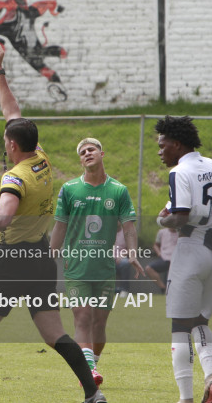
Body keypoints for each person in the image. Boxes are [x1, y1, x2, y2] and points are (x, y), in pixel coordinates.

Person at [0, 43, 106, 403]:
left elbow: (4, 215)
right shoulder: (41, 158)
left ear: (12, 145)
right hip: (40, 257)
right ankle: (91, 394)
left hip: (12, 262)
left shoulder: (16, 178)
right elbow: (13, 111)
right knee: (53, 332)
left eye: (6, 140)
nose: (4, 143)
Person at [50, 137, 142, 386]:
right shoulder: (69, 189)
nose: (87, 153)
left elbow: (129, 227)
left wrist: (132, 253)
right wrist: (50, 256)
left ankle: (93, 362)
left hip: (104, 268)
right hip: (76, 267)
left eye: (91, 149)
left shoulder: (118, 190)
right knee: (82, 318)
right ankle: (89, 371)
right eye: (82, 152)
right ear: (80, 160)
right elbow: (60, 227)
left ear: (102, 154)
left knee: (100, 323)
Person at [155, 115, 212, 403]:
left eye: (163, 146)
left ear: (176, 144)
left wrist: (162, 222)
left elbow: (181, 216)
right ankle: (211, 377)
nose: (160, 152)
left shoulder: (178, 172)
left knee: (179, 326)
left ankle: (185, 398)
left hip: (191, 252)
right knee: (201, 322)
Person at [146, 226, 179, 294]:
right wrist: (159, 253)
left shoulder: (181, 233)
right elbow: (155, 245)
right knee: (149, 268)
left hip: (177, 260)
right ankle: (163, 288)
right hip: (164, 259)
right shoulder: (161, 232)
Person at [113, 229, 132, 297]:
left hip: (121, 258)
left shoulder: (125, 233)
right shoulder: (107, 232)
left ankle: (124, 290)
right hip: (108, 258)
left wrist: (121, 256)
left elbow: (130, 248)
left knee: (125, 263)